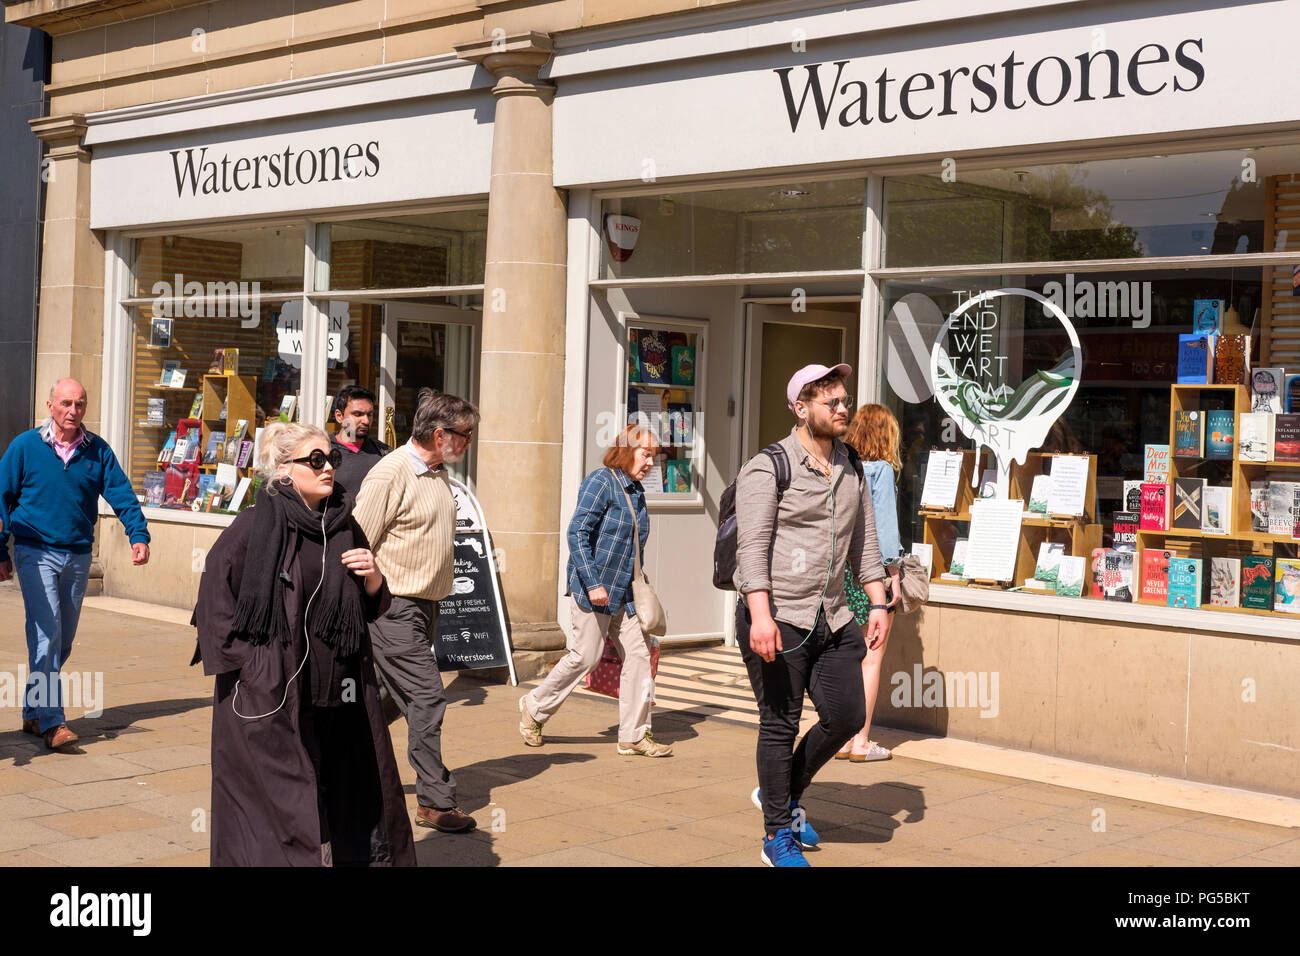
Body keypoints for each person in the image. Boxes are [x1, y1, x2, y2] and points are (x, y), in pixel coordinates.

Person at [193, 421, 415, 866]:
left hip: (339, 688)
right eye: (315, 459)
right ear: (284, 471)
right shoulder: (256, 525)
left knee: (350, 787)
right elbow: (214, 593)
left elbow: (372, 605)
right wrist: (247, 667)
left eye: (331, 457)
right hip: (274, 688)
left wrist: (373, 579)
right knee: (276, 798)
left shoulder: (343, 524)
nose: (328, 467)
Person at [734, 363, 889, 867]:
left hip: (834, 615)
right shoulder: (768, 467)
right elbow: (752, 549)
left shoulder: (852, 465)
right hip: (778, 616)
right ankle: (776, 833)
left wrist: (879, 600)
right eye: (831, 402)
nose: (843, 408)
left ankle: (780, 794)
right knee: (780, 723)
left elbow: (864, 542)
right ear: (802, 410)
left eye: (844, 399)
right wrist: (761, 616)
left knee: (847, 714)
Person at [0, 378, 150, 751]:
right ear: (50, 406)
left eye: (80, 404)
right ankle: (53, 722)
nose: (73, 410)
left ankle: (34, 711)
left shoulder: (97, 451)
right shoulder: (25, 447)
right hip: (35, 552)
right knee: (47, 633)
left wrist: (138, 534)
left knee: (60, 641)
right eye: (66, 403)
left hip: (78, 555)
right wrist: (1, 551)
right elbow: (0, 499)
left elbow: (121, 494)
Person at [353, 389, 479, 834]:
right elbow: (356, 541)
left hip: (427, 605)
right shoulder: (391, 473)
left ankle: (336, 761)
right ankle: (434, 800)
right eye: (465, 435)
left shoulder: (437, 472)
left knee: (387, 700)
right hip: (393, 605)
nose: (468, 442)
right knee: (427, 698)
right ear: (440, 434)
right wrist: (370, 595)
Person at [517, 423, 670, 758]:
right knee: (586, 656)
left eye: (653, 458)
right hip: (595, 589)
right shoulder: (601, 481)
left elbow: (632, 547)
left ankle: (634, 734)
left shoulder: (636, 491)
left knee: (640, 657)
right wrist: (593, 581)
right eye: (646, 455)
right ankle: (534, 707)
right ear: (627, 451)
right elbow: (577, 532)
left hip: (625, 593)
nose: (650, 464)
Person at [836, 403, 903, 763]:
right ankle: (862, 741)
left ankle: (844, 739)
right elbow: (885, 532)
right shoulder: (881, 472)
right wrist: (894, 575)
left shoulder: (843, 466)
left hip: (840, 572)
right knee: (871, 658)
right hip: (870, 573)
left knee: (847, 656)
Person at [329, 385, 391, 503]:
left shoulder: (384, 453)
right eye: (358, 414)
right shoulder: (323, 450)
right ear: (339, 416)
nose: (366, 421)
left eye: (370, 414)